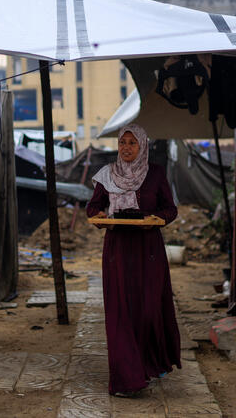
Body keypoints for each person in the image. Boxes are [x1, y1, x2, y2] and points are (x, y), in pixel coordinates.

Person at [86, 124, 181, 396]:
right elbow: (94, 207)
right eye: (122, 143)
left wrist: (158, 219)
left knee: (148, 309)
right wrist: (99, 216)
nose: (126, 148)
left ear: (143, 146)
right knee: (120, 312)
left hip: (148, 250)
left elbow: (170, 209)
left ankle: (148, 364)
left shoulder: (156, 173)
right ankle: (126, 380)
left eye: (132, 143)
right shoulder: (107, 174)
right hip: (117, 249)